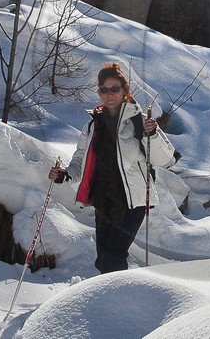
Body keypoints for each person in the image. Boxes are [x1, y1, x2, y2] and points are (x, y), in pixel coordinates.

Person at [49, 63, 177, 274]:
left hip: (132, 201)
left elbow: (165, 159)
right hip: (104, 199)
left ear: (125, 91)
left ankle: (119, 301)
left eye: (115, 89)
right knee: (103, 259)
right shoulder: (93, 125)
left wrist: (152, 135)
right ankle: (114, 298)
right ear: (99, 93)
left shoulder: (139, 121)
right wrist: (65, 175)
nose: (109, 94)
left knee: (113, 257)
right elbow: (81, 157)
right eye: (104, 90)